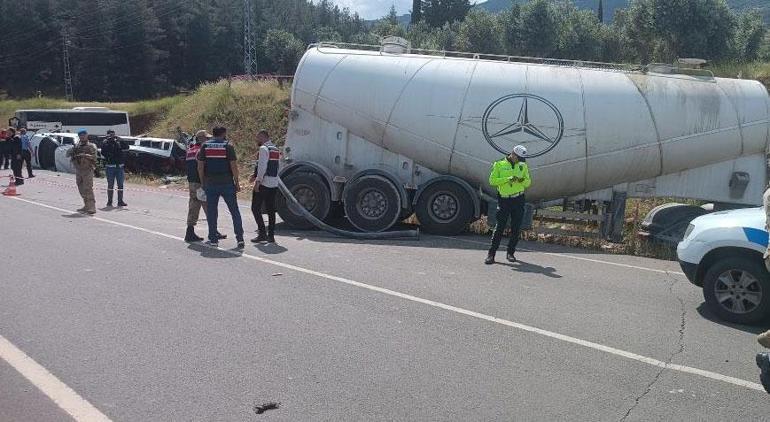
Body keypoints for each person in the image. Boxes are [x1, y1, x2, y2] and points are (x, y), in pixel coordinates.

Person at [196, 126, 245, 248]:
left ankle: (213, 239)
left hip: (210, 183)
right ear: (223, 134)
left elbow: (200, 167)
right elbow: (233, 166)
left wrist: (203, 182)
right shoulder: (228, 146)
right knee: (234, 211)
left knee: (212, 212)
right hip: (227, 182)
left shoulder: (205, 146)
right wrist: (237, 182)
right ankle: (239, 239)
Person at [485, 145, 531, 265]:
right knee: (500, 227)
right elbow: (492, 181)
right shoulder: (499, 164)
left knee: (516, 228)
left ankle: (510, 253)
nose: (520, 161)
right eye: (519, 158)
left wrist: (522, 181)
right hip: (504, 200)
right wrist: (507, 179)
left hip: (519, 199)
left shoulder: (523, 166)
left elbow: (528, 182)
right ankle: (491, 254)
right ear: (513, 154)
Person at [184, 130, 226, 242]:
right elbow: (204, 167)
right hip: (202, 183)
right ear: (202, 139)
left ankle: (190, 232)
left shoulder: (190, 150)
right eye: (207, 138)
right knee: (210, 208)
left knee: (193, 207)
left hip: (192, 183)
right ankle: (214, 232)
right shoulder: (202, 151)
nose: (208, 140)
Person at [249, 130, 280, 243]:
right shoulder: (275, 149)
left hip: (264, 183)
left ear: (263, 137)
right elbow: (276, 166)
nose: (257, 140)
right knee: (271, 209)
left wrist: (257, 182)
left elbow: (262, 166)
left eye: (258, 138)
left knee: (255, 208)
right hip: (274, 183)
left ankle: (262, 233)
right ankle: (271, 235)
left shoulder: (263, 149)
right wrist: (255, 175)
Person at [66, 129, 98, 214]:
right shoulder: (77, 146)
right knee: (81, 188)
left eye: (84, 134)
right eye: (80, 135)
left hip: (87, 169)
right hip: (79, 169)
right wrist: (73, 149)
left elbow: (94, 157)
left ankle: (92, 207)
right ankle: (86, 205)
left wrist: (84, 155)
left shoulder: (91, 145)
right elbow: (67, 154)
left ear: (87, 135)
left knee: (88, 188)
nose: (82, 136)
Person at [100, 129, 129, 207]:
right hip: (110, 167)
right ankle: (109, 201)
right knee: (110, 185)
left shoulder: (118, 142)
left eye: (113, 134)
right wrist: (108, 141)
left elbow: (127, 147)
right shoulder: (105, 142)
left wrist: (121, 140)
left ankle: (120, 201)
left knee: (120, 185)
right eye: (110, 135)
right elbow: (103, 152)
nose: (112, 136)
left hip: (119, 166)